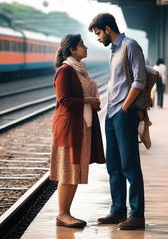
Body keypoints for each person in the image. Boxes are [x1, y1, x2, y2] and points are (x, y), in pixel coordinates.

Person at [89, 13, 146, 230]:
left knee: (130, 165)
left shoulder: (130, 46)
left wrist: (125, 108)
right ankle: (117, 210)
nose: (97, 38)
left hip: (124, 113)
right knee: (113, 165)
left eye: (97, 33)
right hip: (111, 115)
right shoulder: (114, 50)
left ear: (107, 29)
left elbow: (139, 80)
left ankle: (137, 215)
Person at [50, 34, 105, 228]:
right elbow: (64, 101)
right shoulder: (65, 71)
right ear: (73, 50)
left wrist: (93, 102)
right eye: (82, 45)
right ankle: (62, 215)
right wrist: (89, 100)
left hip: (82, 126)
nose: (86, 48)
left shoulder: (81, 71)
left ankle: (66, 213)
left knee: (74, 172)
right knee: (67, 172)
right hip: (70, 129)